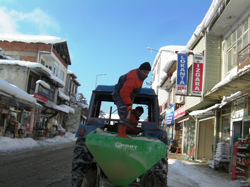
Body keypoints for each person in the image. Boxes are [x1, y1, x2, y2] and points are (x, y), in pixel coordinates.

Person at [112, 62, 151, 138]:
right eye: (144, 72)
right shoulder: (133, 78)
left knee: (126, 112)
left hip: (126, 95)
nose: (146, 74)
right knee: (124, 112)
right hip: (120, 95)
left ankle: (122, 133)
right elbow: (124, 92)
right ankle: (121, 134)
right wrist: (129, 104)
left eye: (148, 73)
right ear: (140, 70)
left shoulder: (140, 76)